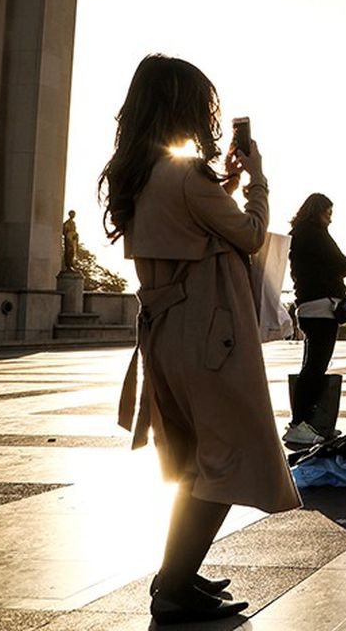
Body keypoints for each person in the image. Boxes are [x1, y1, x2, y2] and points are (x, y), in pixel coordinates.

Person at [99, 55, 299, 623]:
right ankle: (175, 585)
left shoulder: (137, 174)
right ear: (184, 107)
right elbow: (252, 233)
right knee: (231, 457)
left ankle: (177, 578)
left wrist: (223, 186)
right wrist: (256, 179)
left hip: (166, 335)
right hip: (210, 334)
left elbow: (189, 224)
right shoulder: (186, 176)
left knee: (191, 459)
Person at [288, 193, 346, 445]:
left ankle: (309, 423)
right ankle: (299, 423)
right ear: (317, 210)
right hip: (320, 309)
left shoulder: (300, 233)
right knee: (315, 368)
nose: (330, 219)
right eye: (328, 213)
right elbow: (341, 267)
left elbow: (329, 266)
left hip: (309, 307)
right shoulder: (314, 233)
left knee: (312, 367)